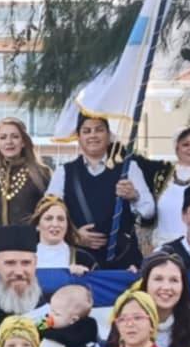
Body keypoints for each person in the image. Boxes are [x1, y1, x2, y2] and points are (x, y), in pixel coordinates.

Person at [56, 113, 154, 270]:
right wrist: (73, 235)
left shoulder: (129, 168)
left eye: (99, 130)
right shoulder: (64, 172)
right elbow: (48, 214)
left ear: (108, 136)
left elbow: (148, 211)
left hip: (124, 260)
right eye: (86, 131)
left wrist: (134, 196)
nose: (93, 135)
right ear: (78, 138)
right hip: (80, 263)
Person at [0, 116, 52, 259]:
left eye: (15, 136)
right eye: (3, 137)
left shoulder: (41, 173)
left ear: (24, 142)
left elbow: (52, 210)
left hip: (30, 252)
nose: (9, 142)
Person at [126, 252, 190, 347]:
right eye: (158, 279)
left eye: (174, 280)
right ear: (146, 284)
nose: (166, 287)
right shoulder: (126, 320)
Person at [32, 194, 89, 272]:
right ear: (37, 225)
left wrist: (84, 276)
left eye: (60, 219)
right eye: (48, 219)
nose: (55, 224)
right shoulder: (23, 259)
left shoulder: (84, 259)